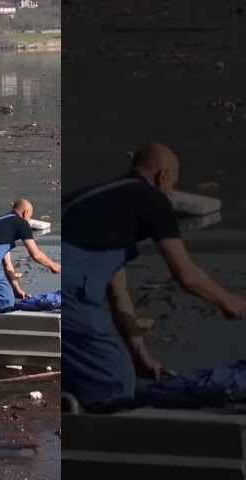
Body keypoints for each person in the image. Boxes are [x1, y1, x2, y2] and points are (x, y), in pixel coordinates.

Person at [61, 142, 246, 412]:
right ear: (163, 177)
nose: (171, 192)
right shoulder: (152, 199)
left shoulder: (102, 204)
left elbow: (118, 294)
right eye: (173, 184)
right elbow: (186, 274)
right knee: (116, 380)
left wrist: (139, 352)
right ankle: (110, 443)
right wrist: (227, 300)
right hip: (66, 297)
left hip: (40, 289)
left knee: (94, 372)